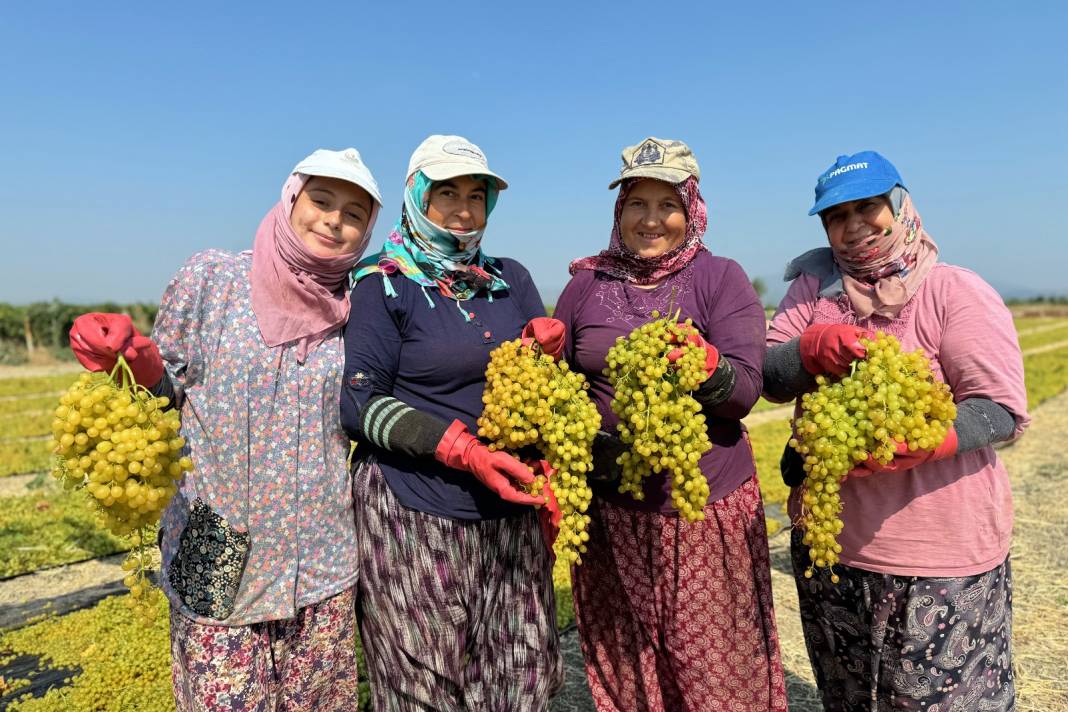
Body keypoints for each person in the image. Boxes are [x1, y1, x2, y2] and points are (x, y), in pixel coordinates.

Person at [68, 147, 384, 711]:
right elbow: (163, 395)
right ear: (291, 199)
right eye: (322, 200)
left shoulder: (358, 306)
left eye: (355, 213)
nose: (335, 220)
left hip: (322, 558)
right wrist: (133, 358)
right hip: (216, 546)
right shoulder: (214, 279)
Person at [764, 151, 1029, 711]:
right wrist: (807, 350)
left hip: (939, 555)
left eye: (868, 207)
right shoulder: (813, 292)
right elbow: (767, 375)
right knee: (850, 697)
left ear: (901, 206)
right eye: (837, 216)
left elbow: (1000, 408)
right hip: (832, 548)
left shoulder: (954, 291)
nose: (854, 224)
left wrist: (933, 441)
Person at [553, 137, 788, 711]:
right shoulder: (587, 284)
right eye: (637, 203)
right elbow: (555, 378)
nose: (651, 219)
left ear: (692, 210)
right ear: (619, 211)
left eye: (667, 204)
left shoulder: (721, 279)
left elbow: (746, 390)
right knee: (626, 663)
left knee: (714, 672)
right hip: (609, 510)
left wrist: (708, 369)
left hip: (699, 508)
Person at [340, 134, 564, 710]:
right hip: (415, 511)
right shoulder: (383, 283)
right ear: (416, 196)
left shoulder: (509, 277)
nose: (464, 210)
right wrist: (464, 452)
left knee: (522, 674)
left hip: (507, 508)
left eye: (477, 195)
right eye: (447, 194)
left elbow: (534, 387)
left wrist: (547, 355)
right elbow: (360, 404)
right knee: (423, 682)